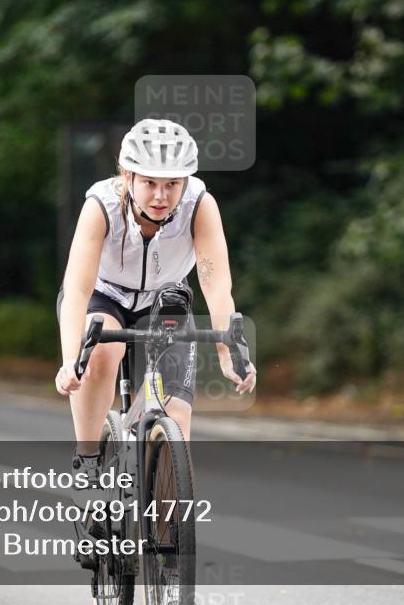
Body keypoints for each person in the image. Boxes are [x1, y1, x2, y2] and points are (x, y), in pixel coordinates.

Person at [55, 118, 257, 477]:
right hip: (106, 295)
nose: (161, 196)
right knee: (103, 352)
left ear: (186, 181)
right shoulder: (100, 204)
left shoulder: (200, 205)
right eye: (149, 182)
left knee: (177, 418)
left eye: (172, 184)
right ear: (127, 175)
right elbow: (77, 291)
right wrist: (72, 360)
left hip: (166, 300)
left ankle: (167, 526)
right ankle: (87, 461)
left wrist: (229, 355)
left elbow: (215, 285)